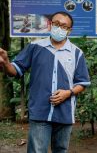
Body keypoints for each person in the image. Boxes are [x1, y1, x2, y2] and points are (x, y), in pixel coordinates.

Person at [0, 11, 91, 153]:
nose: (59, 28)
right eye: (56, 24)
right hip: (40, 111)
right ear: (50, 24)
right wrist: (6, 63)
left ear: (69, 30)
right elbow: (15, 71)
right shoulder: (35, 47)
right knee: (37, 150)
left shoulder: (76, 53)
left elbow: (82, 83)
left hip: (64, 113)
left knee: (61, 150)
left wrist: (68, 93)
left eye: (64, 26)